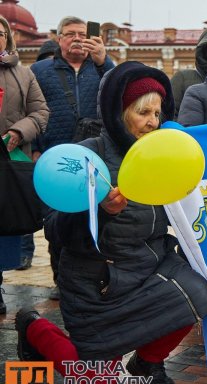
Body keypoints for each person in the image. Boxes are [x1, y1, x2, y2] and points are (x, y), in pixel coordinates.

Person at [15, 61, 207, 384]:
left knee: (200, 294)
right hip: (97, 283)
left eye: (157, 112)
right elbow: (55, 231)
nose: (153, 122)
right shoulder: (85, 157)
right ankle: (33, 327)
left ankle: (147, 361)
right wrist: (99, 210)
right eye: (143, 112)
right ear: (118, 111)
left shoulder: (163, 155)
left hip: (148, 267)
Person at [30, 16, 115, 300]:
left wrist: (104, 61)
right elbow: (32, 110)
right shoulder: (40, 70)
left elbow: (117, 94)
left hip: (94, 156)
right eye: (70, 34)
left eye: (83, 34)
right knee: (56, 221)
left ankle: (92, 277)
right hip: (54, 158)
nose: (78, 38)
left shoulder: (101, 68)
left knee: (94, 217)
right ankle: (60, 279)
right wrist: (35, 148)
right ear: (59, 38)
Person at [0, 15, 49, 310]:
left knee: (6, 222)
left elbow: (41, 112)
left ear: (8, 37)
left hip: (10, 159)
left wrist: (19, 132)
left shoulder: (24, 73)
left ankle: (0, 285)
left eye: (0, 33)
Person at [16, 39, 59, 272]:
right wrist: (34, 147)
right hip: (33, 148)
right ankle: (25, 252)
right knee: (25, 203)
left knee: (52, 209)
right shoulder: (33, 77)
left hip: (56, 147)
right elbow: (30, 115)